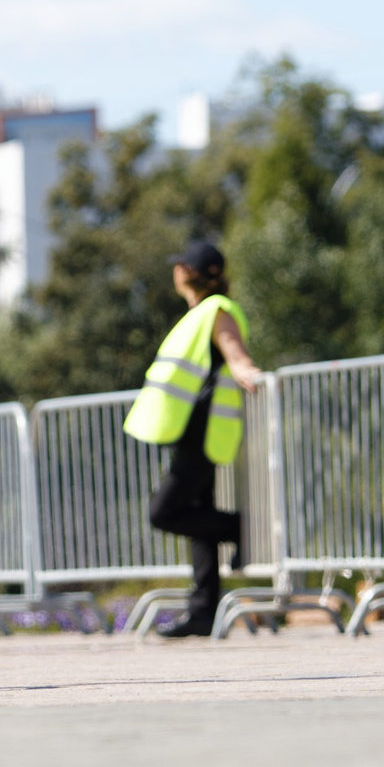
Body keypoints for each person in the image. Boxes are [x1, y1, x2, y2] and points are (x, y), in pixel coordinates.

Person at [125, 239, 265, 638]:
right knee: (197, 521)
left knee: (164, 512)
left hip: (204, 434)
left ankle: (241, 529)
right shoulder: (199, 314)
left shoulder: (216, 311)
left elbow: (237, 355)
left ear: (186, 272)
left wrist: (247, 371)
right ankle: (204, 611)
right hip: (189, 431)